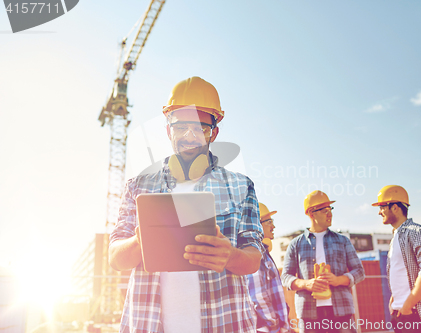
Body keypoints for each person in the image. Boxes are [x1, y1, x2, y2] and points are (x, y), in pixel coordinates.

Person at [108, 76, 264, 333]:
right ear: (169, 130)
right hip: (148, 325)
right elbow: (115, 258)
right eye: (181, 127)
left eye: (201, 128)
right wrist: (140, 241)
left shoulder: (240, 186)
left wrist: (230, 256)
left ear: (214, 132)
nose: (190, 136)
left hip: (225, 324)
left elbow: (253, 258)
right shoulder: (138, 187)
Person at [281, 190, 365, 333]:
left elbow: (359, 271)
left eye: (330, 209)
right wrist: (306, 284)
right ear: (311, 213)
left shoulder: (343, 241)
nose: (330, 213)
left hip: (341, 311)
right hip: (309, 314)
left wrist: (338, 280)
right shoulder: (295, 244)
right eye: (325, 210)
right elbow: (285, 277)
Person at [372, 185, 421, 333]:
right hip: (400, 313)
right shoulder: (396, 237)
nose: (379, 212)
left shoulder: (416, 232)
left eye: (382, 207)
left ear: (395, 207)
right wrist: (395, 299)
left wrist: (408, 305)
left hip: (416, 315)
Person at [247, 203, 290, 333]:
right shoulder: (255, 252)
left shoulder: (264, 253)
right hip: (265, 329)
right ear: (258, 224)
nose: (273, 226)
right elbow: (258, 295)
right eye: (269, 221)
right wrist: (275, 324)